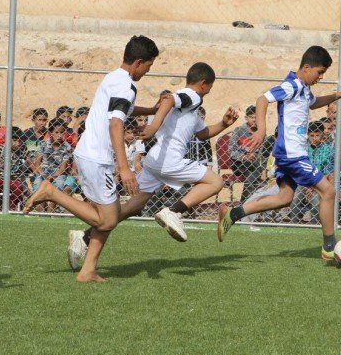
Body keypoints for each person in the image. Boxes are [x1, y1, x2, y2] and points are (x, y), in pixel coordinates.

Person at [67, 62, 239, 274]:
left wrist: (224, 124)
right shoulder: (193, 96)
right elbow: (168, 99)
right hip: (169, 160)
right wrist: (154, 126)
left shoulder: (189, 110)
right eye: (210, 87)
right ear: (203, 84)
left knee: (131, 208)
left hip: (155, 161)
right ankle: (173, 212)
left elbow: (202, 133)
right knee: (216, 182)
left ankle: (84, 237)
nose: (209, 92)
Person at [23, 35, 161, 282]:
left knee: (109, 213)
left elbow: (121, 110)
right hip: (98, 158)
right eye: (148, 66)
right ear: (139, 62)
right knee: (108, 219)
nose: (147, 72)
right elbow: (116, 123)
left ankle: (88, 270)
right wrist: (124, 168)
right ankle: (51, 192)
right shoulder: (126, 86)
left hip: (89, 153)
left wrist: (151, 110)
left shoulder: (113, 77)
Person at [217, 46, 341, 259]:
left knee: (284, 198)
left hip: (288, 154)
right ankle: (329, 248)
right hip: (292, 155)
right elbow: (262, 99)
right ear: (306, 67)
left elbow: (314, 104)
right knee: (328, 192)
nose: (320, 77)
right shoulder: (292, 85)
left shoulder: (303, 88)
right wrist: (262, 130)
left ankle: (233, 213)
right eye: (319, 72)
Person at [290, 121, 334, 223]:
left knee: (315, 203)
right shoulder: (303, 148)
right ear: (308, 135)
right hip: (303, 182)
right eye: (312, 135)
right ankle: (294, 224)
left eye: (317, 135)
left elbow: (327, 171)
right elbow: (299, 169)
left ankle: (314, 226)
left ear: (322, 135)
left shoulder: (327, 149)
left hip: (319, 182)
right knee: (295, 200)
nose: (314, 138)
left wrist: (313, 186)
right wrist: (307, 186)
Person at [30, 117, 72, 213]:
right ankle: (41, 208)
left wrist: (53, 176)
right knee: (37, 184)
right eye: (56, 132)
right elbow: (37, 163)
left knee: (59, 184)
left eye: (62, 132)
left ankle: (51, 210)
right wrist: (43, 175)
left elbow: (63, 167)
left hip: (58, 174)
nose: (59, 135)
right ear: (51, 132)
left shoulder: (66, 147)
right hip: (43, 172)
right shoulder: (44, 144)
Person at [228, 105, 265, 204]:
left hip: (255, 164)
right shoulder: (238, 130)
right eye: (252, 117)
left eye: (257, 118)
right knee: (256, 169)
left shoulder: (261, 132)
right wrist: (244, 157)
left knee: (255, 170)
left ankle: (250, 202)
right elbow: (231, 150)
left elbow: (263, 151)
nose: (254, 120)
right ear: (246, 118)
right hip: (238, 163)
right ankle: (247, 202)